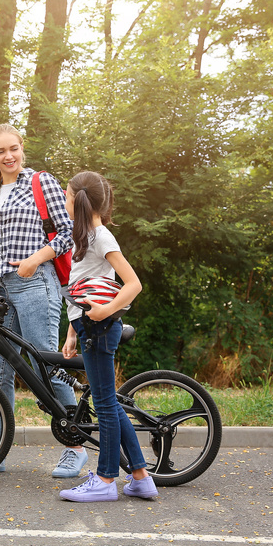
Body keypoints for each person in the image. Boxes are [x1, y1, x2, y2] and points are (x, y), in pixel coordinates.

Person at [0, 123, 87, 478]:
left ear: (22, 148)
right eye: (0, 151)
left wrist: (35, 259)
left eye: (13, 148)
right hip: (2, 291)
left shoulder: (40, 182)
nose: (9, 156)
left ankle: (76, 445)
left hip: (36, 285)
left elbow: (68, 233)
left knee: (46, 364)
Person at [58, 170, 157, 502]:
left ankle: (104, 481)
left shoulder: (101, 236)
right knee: (109, 403)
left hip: (100, 327)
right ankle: (141, 478)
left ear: (78, 200)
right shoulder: (84, 237)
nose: (64, 199)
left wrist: (104, 311)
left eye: (66, 194)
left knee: (103, 404)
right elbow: (81, 290)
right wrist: (72, 332)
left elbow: (133, 284)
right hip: (88, 327)